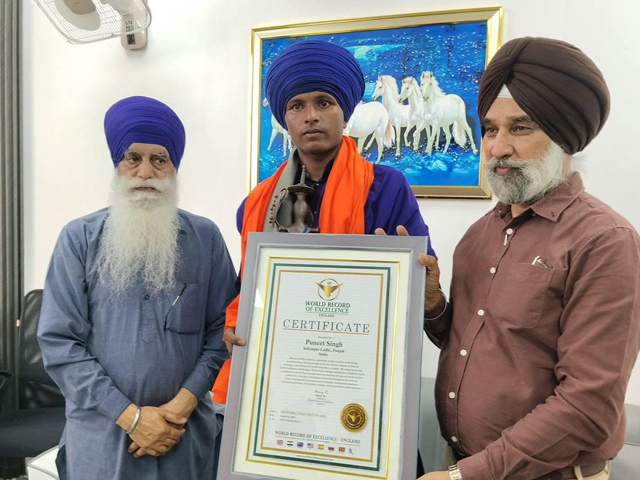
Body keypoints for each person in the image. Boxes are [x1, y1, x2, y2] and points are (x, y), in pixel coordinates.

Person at [417, 37, 640, 480]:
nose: (498, 148)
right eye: (490, 129)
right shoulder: (479, 234)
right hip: (460, 463)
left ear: (564, 137)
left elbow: (588, 405)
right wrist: (434, 307)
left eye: (520, 128)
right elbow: (477, 348)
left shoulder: (605, 241)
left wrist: (469, 475)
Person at [212, 39, 436, 404]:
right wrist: (236, 324)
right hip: (279, 372)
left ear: (345, 114)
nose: (310, 116)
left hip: (357, 372)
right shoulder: (256, 204)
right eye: (296, 106)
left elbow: (420, 287)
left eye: (324, 102)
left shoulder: (386, 189)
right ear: (285, 119)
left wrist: (411, 279)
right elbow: (251, 289)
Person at [37, 96, 238, 480]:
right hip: (101, 436)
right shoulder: (79, 239)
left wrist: (179, 408)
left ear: (174, 168)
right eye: (133, 158)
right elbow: (60, 343)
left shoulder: (206, 238)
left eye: (159, 159)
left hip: (184, 435)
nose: (146, 172)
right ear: (117, 164)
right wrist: (130, 417)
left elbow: (221, 332)